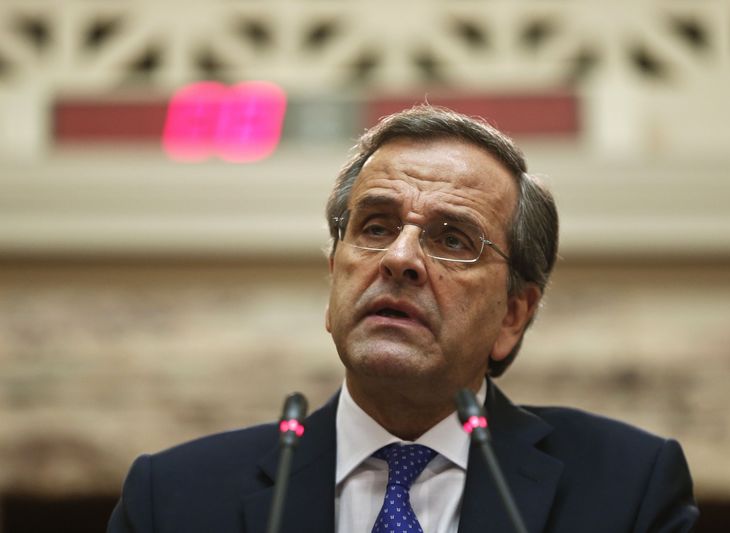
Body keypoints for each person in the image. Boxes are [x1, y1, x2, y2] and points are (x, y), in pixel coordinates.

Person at [108, 105, 698, 533]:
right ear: (334, 277)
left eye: (452, 239)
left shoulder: (628, 489)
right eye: (375, 227)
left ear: (514, 315)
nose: (399, 259)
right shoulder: (174, 500)